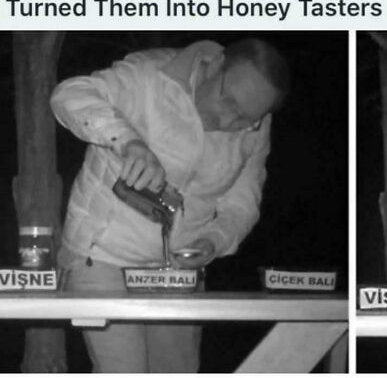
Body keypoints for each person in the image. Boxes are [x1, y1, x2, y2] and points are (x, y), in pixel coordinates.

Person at [50, 38, 290, 372]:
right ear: (215, 64)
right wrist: (128, 141)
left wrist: (214, 240)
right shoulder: (150, 77)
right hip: (101, 255)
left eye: (244, 118)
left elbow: (242, 203)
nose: (227, 119)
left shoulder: (255, 125)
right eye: (228, 101)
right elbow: (69, 95)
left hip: (177, 270)